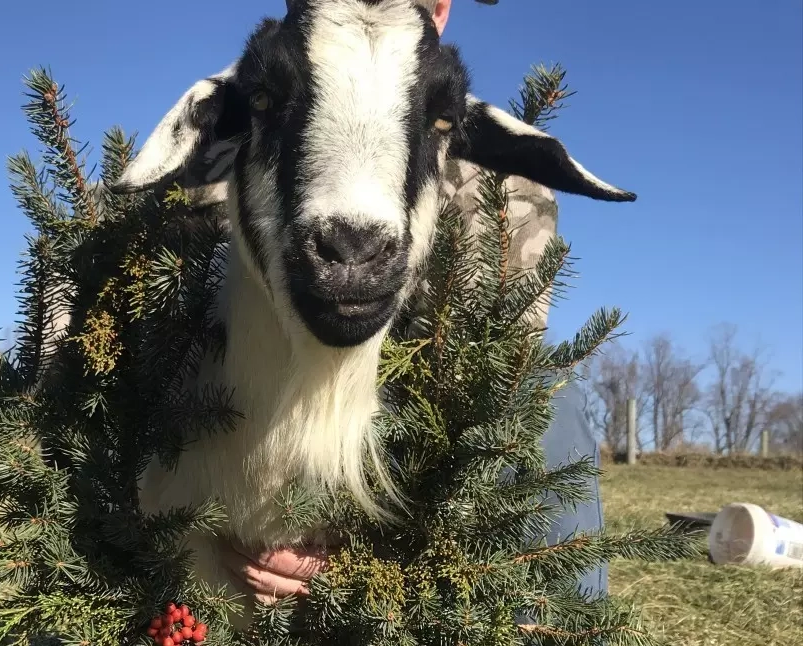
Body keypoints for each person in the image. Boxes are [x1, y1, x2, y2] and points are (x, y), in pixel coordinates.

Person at [178, 0, 608, 612]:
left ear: (440, 8)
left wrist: (354, 546)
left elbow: (494, 369)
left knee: (547, 399)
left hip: (402, 464)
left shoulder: (505, 180)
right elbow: (138, 303)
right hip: (229, 459)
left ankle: (563, 638)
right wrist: (210, 516)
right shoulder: (227, 114)